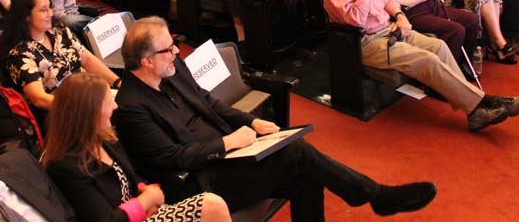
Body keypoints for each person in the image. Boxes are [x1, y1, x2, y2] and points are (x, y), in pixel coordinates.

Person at [113, 16, 437, 218]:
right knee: (296, 154)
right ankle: (376, 195)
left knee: (304, 176)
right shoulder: (131, 108)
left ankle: (374, 196)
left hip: (227, 152)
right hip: (197, 180)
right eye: (168, 50)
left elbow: (209, 103)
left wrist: (249, 122)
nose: (176, 53)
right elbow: (172, 158)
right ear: (145, 61)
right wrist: (226, 143)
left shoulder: (171, 69)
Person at [322, 0, 519, 130]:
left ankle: (475, 106)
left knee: (439, 46)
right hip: (365, 42)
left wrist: (400, 16)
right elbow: (356, 20)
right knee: (427, 59)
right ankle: (481, 104)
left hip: (391, 28)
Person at [43, 73, 233, 222]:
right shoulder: (64, 166)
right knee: (210, 205)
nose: (115, 106)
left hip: (144, 213)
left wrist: (146, 195)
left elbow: (135, 179)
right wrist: (146, 201)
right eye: (108, 102)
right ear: (88, 113)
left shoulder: (105, 139)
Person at [0, 0, 118, 116]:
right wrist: (82, 108)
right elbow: (39, 99)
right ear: (26, 16)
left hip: (87, 95)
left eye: (50, 7)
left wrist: (117, 82)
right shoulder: (19, 54)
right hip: (61, 114)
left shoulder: (59, 30)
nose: (51, 13)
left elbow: (87, 59)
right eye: (43, 10)